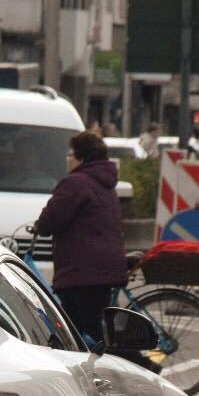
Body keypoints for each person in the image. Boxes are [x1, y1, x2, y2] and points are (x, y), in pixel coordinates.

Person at [31, 130, 128, 343]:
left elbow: (50, 220)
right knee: (73, 331)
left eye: (70, 155)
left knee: (91, 331)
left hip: (84, 271)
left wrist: (40, 225)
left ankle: (140, 363)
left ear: (81, 158)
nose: (67, 159)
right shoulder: (104, 183)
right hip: (100, 266)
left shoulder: (76, 183)